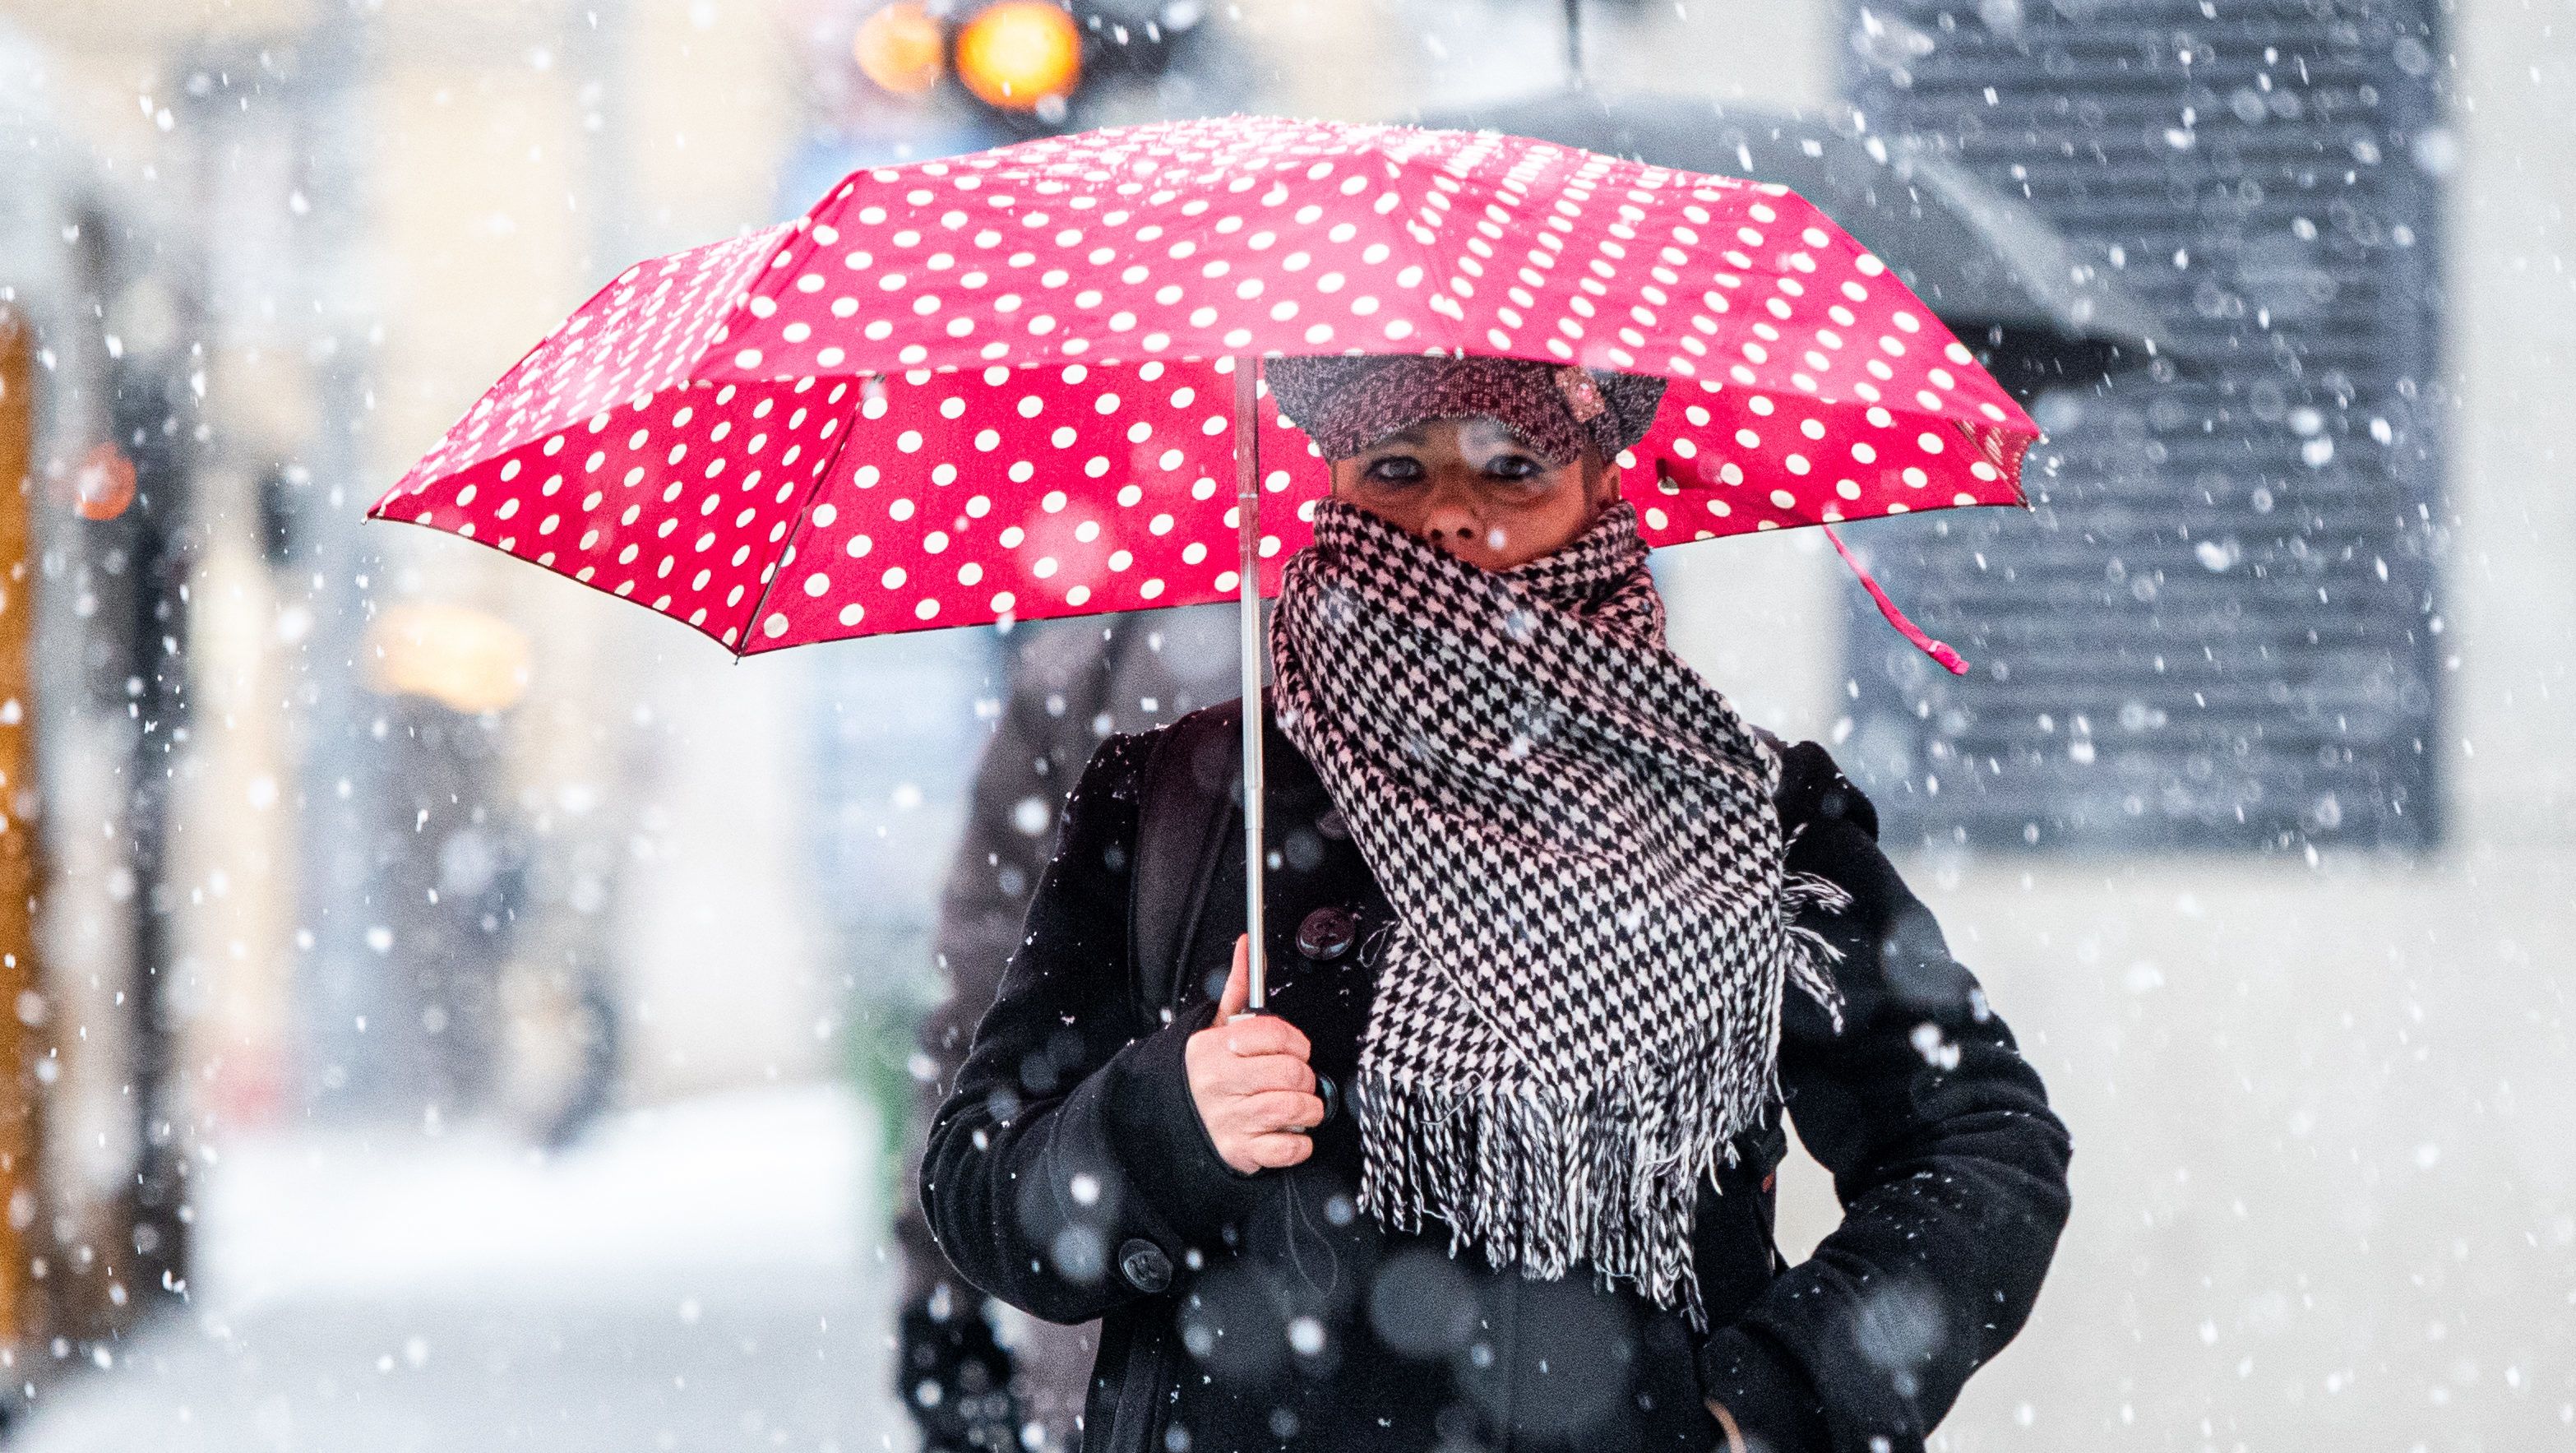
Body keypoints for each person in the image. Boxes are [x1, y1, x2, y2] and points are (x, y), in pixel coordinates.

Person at [920, 354, 2073, 1453]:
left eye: (1512, 464)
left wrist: (1770, 1404)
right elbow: (978, 1183)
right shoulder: (1176, 800)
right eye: (1395, 466)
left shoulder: (1750, 812)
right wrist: (1166, 1120)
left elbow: (1978, 1146)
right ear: (1325, 478)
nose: (1451, 517)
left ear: (1602, 483)